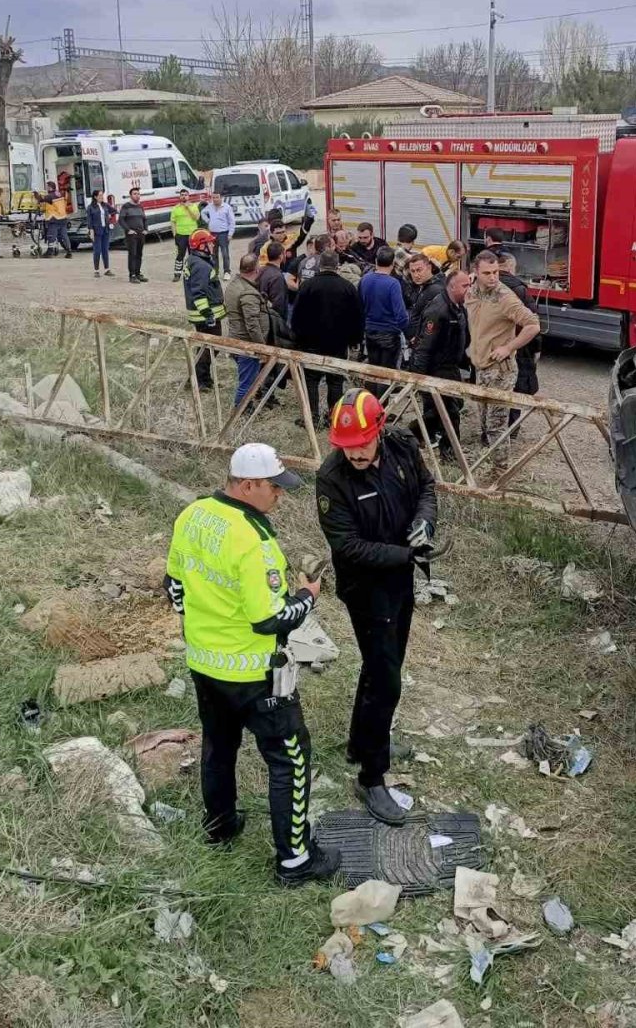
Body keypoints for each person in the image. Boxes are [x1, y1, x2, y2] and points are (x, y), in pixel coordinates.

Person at [165, 442, 340, 885]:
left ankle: (220, 825)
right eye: (273, 488)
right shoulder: (254, 541)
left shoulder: (194, 514)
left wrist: (204, 628)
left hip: (204, 663)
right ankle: (296, 860)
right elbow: (269, 619)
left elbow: (175, 588)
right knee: (290, 759)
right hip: (254, 674)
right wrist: (307, 598)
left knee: (218, 747)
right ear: (248, 485)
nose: (278, 495)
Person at [316, 390, 438, 824]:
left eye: (362, 444)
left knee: (380, 664)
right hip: (366, 588)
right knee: (387, 679)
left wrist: (425, 521)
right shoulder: (331, 479)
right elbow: (347, 547)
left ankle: (363, 741)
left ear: (379, 430)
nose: (355, 454)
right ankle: (371, 776)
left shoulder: (402, 445)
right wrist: (405, 556)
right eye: (346, 447)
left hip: (400, 579)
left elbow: (426, 486)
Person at [466, 251, 540, 456]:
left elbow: (533, 325)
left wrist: (509, 347)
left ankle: (499, 471)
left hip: (500, 370)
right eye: (487, 273)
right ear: (476, 272)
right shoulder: (472, 291)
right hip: (480, 365)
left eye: (496, 272)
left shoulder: (505, 297)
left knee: (496, 426)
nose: (493, 277)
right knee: (482, 422)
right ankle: (487, 461)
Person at [290, 251, 363, 426]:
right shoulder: (348, 287)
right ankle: (334, 418)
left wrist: (297, 339)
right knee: (335, 381)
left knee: (311, 380)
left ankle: (312, 417)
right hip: (338, 343)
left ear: (320, 265)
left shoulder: (308, 286)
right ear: (337, 265)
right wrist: (355, 340)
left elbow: (297, 315)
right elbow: (357, 316)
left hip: (311, 342)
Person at [409, 268, 470, 454]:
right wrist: (418, 378)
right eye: (465, 285)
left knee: (449, 407)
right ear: (452, 287)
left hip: (450, 366)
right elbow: (424, 346)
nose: (470, 289)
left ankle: (413, 434)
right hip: (437, 368)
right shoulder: (438, 310)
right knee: (449, 411)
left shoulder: (457, 306)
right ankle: (450, 453)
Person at [496, 250, 542, 430]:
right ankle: (511, 427)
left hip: (491, 346)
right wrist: (536, 348)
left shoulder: (483, 287)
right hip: (518, 346)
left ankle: (491, 428)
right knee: (516, 385)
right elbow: (533, 321)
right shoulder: (519, 290)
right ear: (509, 266)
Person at [224, 253, 270, 408]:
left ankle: (246, 406)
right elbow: (252, 324)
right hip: (247, 344)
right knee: (247, 383)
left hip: (236, 338)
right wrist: (261, 347)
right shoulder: (248, 292)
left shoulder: (233, 284)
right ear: (256, 269)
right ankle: (241, 410)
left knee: (247, 377)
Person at [359, 245, 409, 387]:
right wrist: (408, 332)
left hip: (370, 333)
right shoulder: (393, 284)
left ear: (376, 261)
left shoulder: (365, 279)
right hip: (389, 334)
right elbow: (401, 315)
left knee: (372, 371)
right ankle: (382, 406)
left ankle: (369, 404)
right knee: (386, 375)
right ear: (393, 263)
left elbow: (360, 306)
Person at [184, 228, 225, 390]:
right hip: (206, 316)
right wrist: (207, 314)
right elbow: (199, 293)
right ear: (201, 246)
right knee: (209, 349)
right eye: (210, 243)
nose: (213, 245)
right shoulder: (201, 266)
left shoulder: (195, 261)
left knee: (207, 348)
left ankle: (203, 379)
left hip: (203, 315)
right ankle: (199, 380)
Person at [404, 253, 445, 342]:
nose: (416, 275)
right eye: (413, 271)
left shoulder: (436, 290)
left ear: (429, 268)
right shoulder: (418, 286)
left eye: (419, 270)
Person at [202, 189, 236, 278]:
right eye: (213, 197)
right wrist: (208, 221)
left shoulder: (227, 207)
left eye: (217, 197)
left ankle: (227, 272)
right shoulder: (210, 206)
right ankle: (215, 272)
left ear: (221, 198)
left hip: (223, 234)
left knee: (225, 254)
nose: (215, 199)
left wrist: (230, 234)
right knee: (213, 254)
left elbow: (232, 222)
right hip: (212, 234)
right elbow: (203, 213)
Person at [118, 187, 149, 283]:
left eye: (138, 194)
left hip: (141, 234)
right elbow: (121, 220)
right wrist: (128, 230)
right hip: (132, 235)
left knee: (139, 254)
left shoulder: (140, 206)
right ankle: (132, 275)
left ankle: (138, 273)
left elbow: (144, 219)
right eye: (135, 194)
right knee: (132, 254)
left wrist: (146, 229)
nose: (137, 195)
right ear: (131, 196)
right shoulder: (126, 207)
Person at [171, 189, 203, 281]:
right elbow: (173, 222)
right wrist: (174, 234)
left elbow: (196, 218)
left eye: (185, 195)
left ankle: (193, 274)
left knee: (193, 255)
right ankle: (177, 274)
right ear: (180, 197)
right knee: (180, 255)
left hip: (192, 235)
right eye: (182, 195)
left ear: (188, 196)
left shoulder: (193, 206)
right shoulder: (175, 208)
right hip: (180, 235)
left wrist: (188, 208)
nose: (184, 196)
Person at [257, 240, 289, 318]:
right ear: (281, 256)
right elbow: (278, 305)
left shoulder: (261, 270)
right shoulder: (277, 277)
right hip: (273, 320)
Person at [87, 189, 114, 278]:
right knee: (97, 251)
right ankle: (96, 270)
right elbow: (89, 221)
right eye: (100, 195)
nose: (102, 197)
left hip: (105, 230)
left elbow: (114, 211)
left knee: (105, 250)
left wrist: (110, 216)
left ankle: (107, 269)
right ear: (95, 197)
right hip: (96, 231)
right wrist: (91, 231)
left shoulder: (105, 205)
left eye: (102, 195)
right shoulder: (90, 207)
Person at [42, 183, 72, 259]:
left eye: (47, 187)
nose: (46, 188)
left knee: (51, 236)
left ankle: (50, 252)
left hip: (54, 219)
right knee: (64, 236)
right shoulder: (60, 194)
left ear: (50, 188)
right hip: (63, 218)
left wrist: (35, 194)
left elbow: (40, 199)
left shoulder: (50, 196)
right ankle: (69, 252)